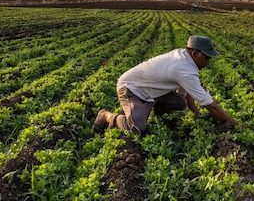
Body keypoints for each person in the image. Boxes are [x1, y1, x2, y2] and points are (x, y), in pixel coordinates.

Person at [92, 35, 237, 135]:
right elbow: (209, 104)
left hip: (151, 90)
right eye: (206, 57)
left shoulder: (184, 58)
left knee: (180, 102)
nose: (208, 62)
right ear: (194, 53)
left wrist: (197, 115)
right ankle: (106, 116)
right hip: (132, 89)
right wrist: (229, 120)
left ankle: (153, 110)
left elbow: (188, 95)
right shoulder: (184, 69)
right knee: (135, 129)